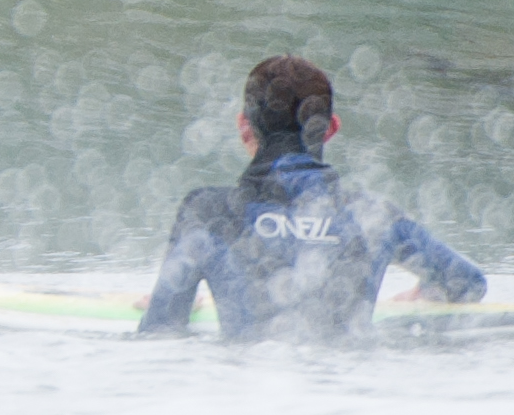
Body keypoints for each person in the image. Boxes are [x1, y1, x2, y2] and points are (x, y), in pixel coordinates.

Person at [140, 53, 486, 340]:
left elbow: (160, 331)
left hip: (247, 402)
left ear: (244, 125)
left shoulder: (208, 212)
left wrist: (177, 294)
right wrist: (426, 293)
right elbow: (469, 283)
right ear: (331, 128)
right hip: (348, 399)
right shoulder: (375, 216)